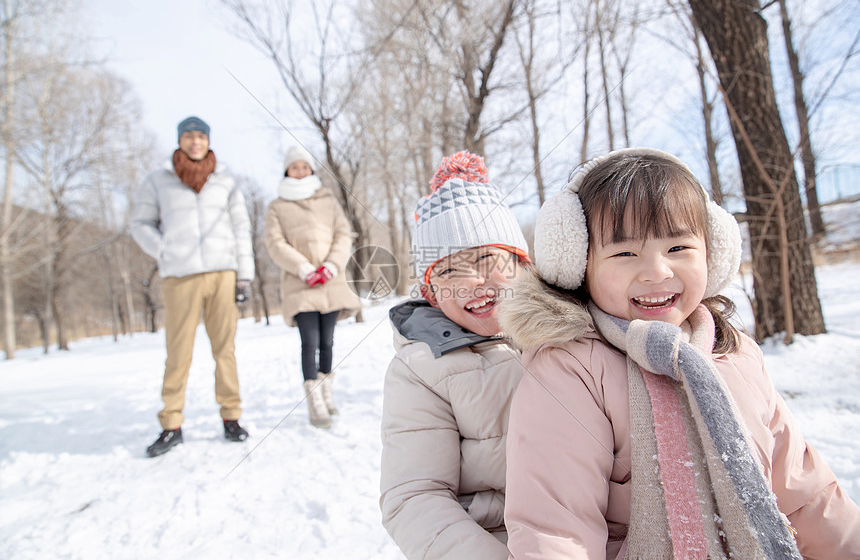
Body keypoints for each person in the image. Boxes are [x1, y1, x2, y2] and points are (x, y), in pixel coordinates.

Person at [498, 147, 860, 559]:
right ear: (579, 266)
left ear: (713, 250)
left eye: (678, 248)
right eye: (624, 253)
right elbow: (557, 530)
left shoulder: (736, 355)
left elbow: (805, 495)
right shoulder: (571, 368)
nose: (657, 271)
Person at [379, 151, 531, 559]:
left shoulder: (571, 332)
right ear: (431, 293)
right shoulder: (420, 370)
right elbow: (415, 498)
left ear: (521, 264)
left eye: (487, 259)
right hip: (497, 538)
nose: (474, 282)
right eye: (449, 271)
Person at [130, 116, 255, 458]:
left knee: (224, 350)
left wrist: (244, 275)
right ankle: (171, 424)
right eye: (189, 136)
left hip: (222, 272)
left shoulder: (225, 180)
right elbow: (139, 224)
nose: (195, 142)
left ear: (208, 141)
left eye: (201, 136)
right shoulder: (159, 180)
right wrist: (164, 249)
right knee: (178, 351)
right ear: (180, 141)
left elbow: (241, 227)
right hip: (180, 275)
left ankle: (231, 417)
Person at [263, 145, 360, 429]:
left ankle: (327, 393)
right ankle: (314, 400)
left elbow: (344, 233)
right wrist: (303, 268)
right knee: (310, 342)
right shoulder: (277, 206)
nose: (301, 170)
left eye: (305, 166)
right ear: (287, 170)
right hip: (300, 283)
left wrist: (331, 264)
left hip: (330, 280)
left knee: (328, 342)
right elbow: (275, 242)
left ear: (311, 169)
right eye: (295, 166)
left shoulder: (327, 199)